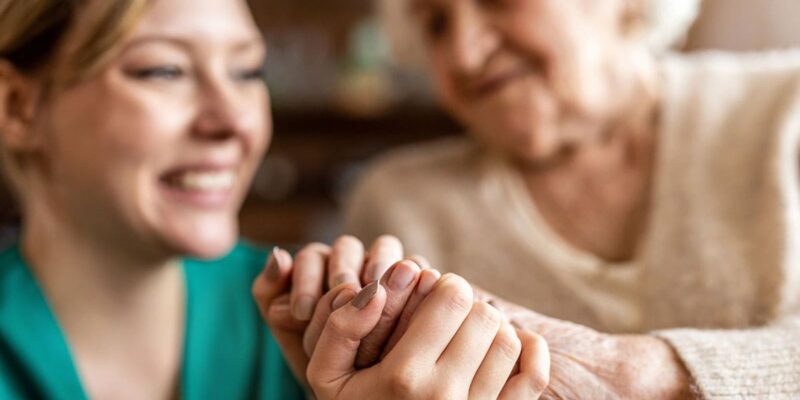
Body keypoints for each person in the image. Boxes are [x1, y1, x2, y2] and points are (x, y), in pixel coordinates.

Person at [0, 0, 550, 398]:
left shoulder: (326, 328)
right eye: (164, 69)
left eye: (248, 72)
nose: (235, 119)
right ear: (19, 107)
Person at [345, 0, 800, 397]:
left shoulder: (786, 109)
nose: (464, 54)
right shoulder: (402, 204)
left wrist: (633, 375)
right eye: (436, 24)